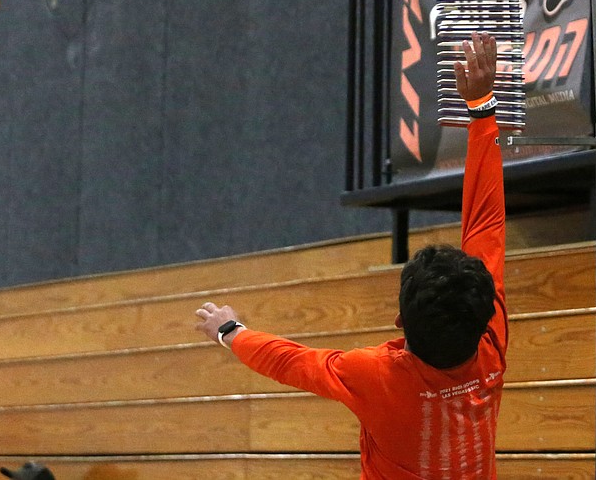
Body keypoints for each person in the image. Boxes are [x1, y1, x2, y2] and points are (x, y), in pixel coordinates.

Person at [195, 31, 508, 479]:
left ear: (400, 322)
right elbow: (486, 222)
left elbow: (291, 361)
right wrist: (482, 108)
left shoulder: (374, 374)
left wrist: (230, 330)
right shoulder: (491, 340)